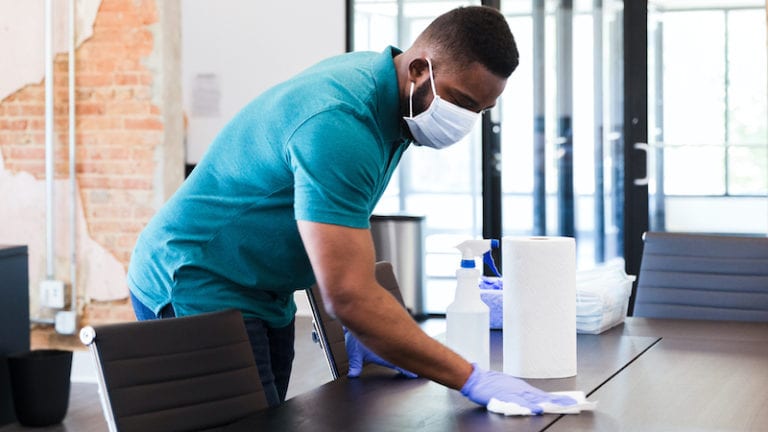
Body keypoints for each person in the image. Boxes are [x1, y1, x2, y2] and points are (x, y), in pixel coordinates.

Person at [127, 5, 576, 413]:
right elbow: (349, 292)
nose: (465, 121)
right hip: (196, 276)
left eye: (481, 110)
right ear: (420, 69)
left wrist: (370, 322)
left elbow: (334, 232)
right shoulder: (341, 122)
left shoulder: (395, 103)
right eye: (462, 102)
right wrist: (470, 377)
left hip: (264, 288)